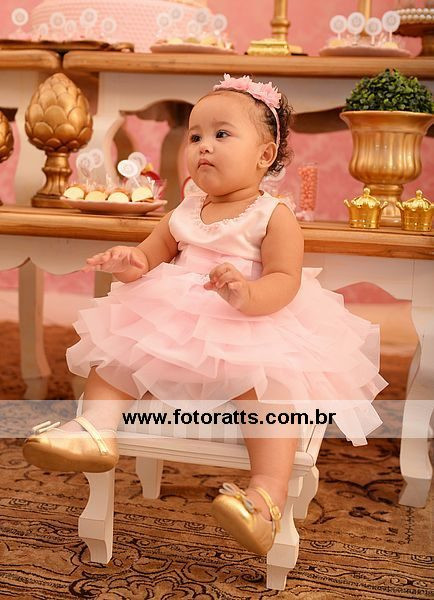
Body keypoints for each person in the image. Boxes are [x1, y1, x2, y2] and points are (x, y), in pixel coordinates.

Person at [22, 74, 388, 556]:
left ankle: (265, 498)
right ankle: (96, 429)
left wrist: (246, 294)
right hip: (175, 319)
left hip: (247, 321)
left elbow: (285, 279)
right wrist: (127, 262)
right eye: (194, 136)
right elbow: (148, 256)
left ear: (264, 154)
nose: (203, 146)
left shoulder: (272, 215)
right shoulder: (185, 210)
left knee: (266, 390)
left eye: (221, 134)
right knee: (117, 350)